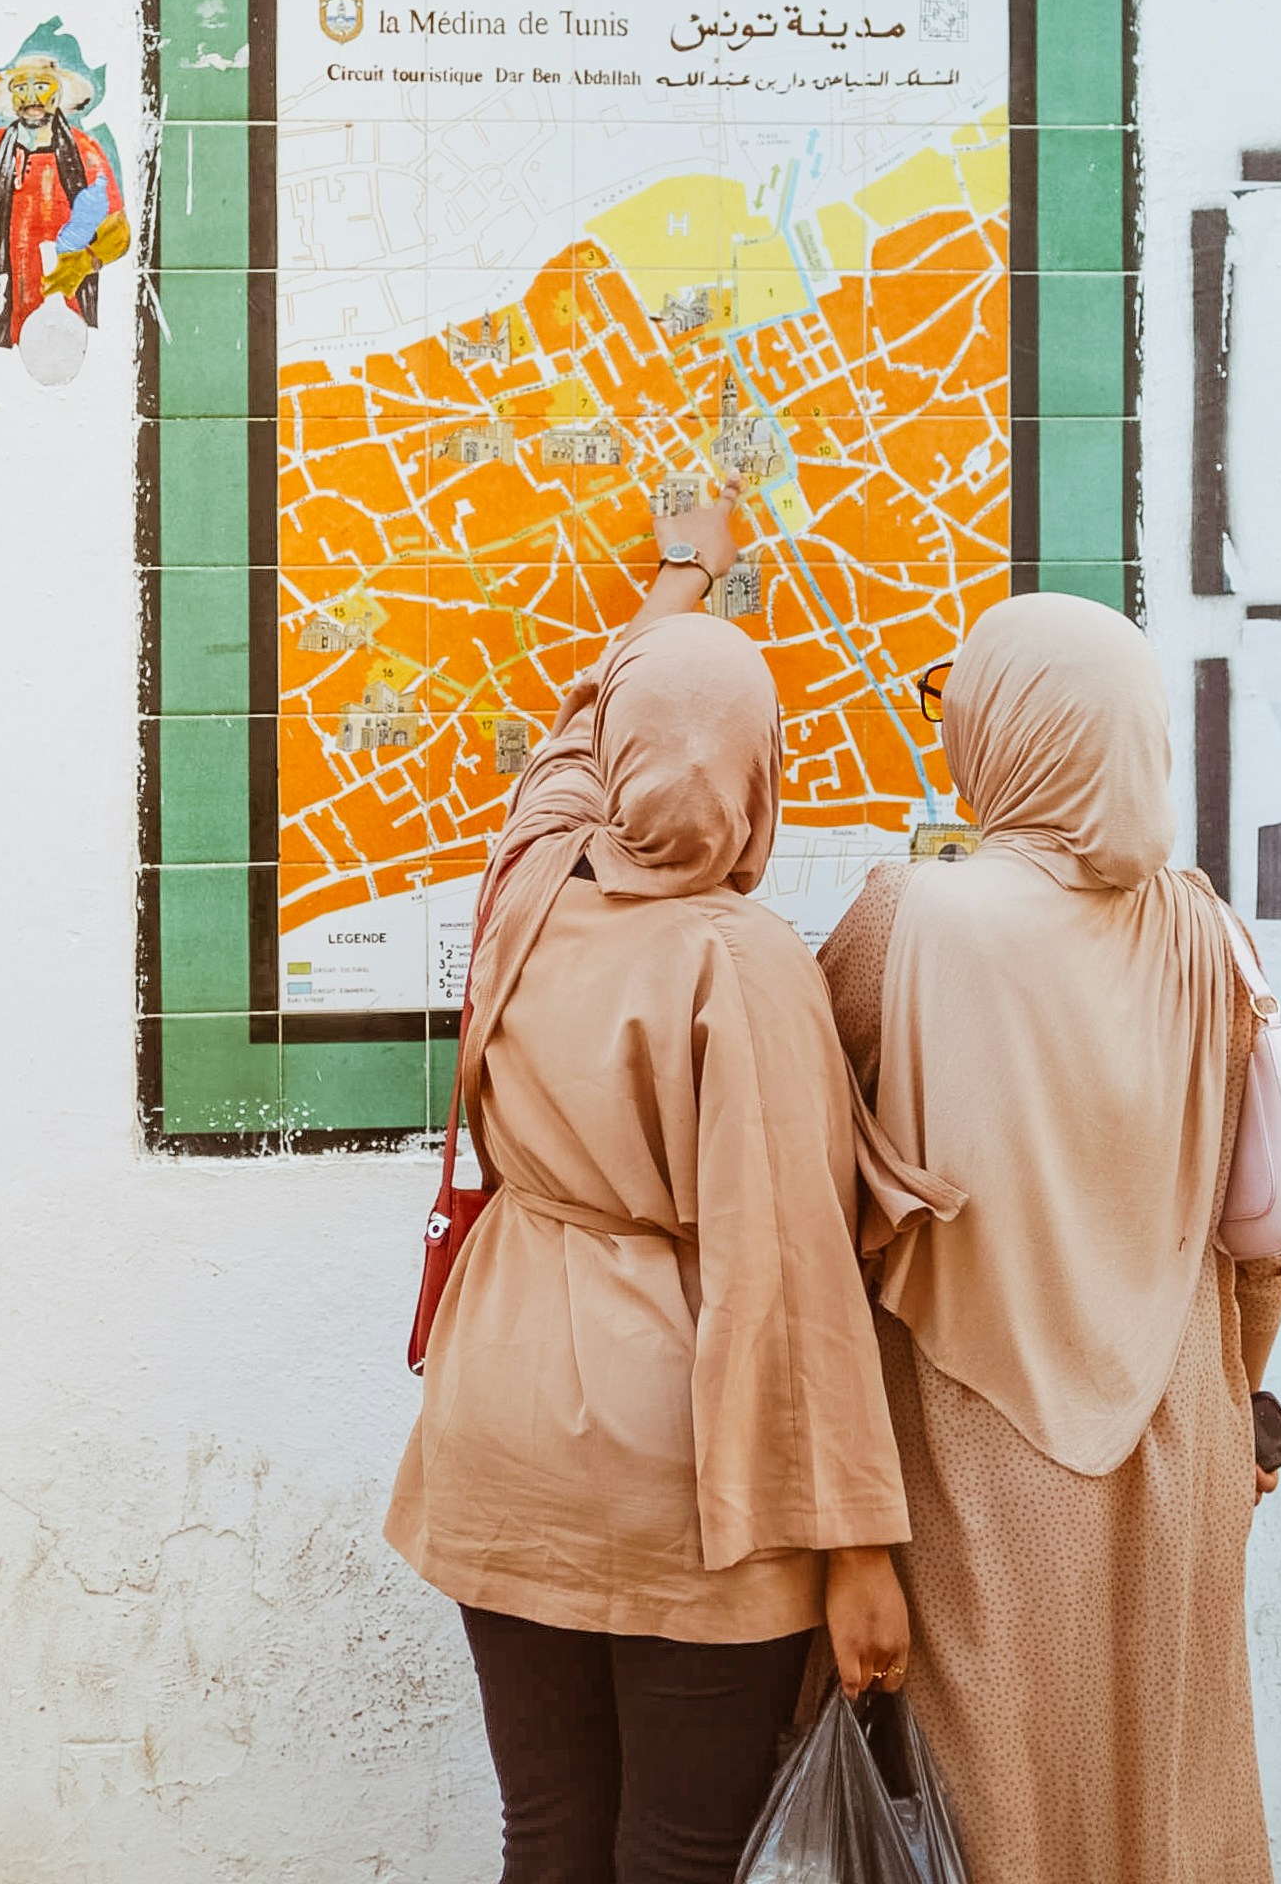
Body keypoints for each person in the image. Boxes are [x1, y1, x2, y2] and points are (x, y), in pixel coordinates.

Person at [387, 477, 912, 1884]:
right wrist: (860, 1547)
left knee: (547, 1837)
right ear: (761, 769)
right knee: (681, 1850)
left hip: (500, 1430)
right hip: (682, 1461)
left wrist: (683, 576)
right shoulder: (742, 964)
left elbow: (571, 739)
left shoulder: (536, 884)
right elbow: (794, 1266)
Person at [821, 593, 1281, 1884]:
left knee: (1000, 1815)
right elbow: (1266, 1231)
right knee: (1167, 1803)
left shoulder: (909, 922)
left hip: (982, 1462)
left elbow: (799, 1160)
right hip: (1185, 1441)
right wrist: (1240, 1392)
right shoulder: (1209, 932)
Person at [0, 36, 129, 352]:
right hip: (1, 301)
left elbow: (120, 233)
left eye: (42, 86)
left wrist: (86, 262)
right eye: (20, 87)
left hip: (63, 304)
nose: (31, 96)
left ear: (58, 93)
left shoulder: (86, 152)